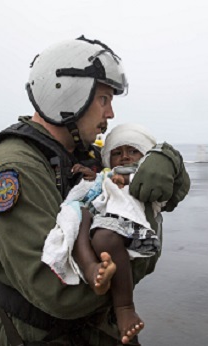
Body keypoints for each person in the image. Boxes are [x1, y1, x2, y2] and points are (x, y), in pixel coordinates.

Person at [0, 35, 191, 346]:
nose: (111, 113)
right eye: (103, 99)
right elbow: (62, 292)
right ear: (68, 95)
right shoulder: (16, 170)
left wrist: (168, 162)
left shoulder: (79, 154)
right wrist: (141, 240)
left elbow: (159, 189)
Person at [42, 123, 165, 344]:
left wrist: (125, 180)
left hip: (122, 221)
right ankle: (91, 268)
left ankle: (125, 307)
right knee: (77, 217)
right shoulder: (109, 172)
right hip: (99, 215)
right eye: (117, 153)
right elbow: (101, 182)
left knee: (104, 238)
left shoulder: (146, 173)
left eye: (133, 151)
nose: (125, 157)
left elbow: (145, 183)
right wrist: (92, 176)